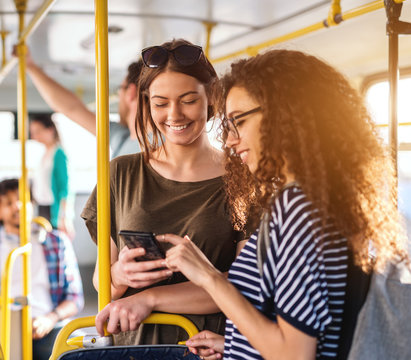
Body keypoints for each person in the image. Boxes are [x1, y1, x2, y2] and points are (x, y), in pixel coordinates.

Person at [154, 50, 409, 359]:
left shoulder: (296, 207)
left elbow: (294, 354)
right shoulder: (329, 199)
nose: (231, 141)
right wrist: (235, 344)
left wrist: (208, 277)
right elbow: (316, 328)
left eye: (239, 122)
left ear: (285, 114)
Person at [83, 39, 252, 345]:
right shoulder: (119, 173)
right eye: (160, 103)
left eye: (188, 100)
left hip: (208, 346)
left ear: (211, 98)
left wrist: (149, 299)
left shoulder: (243, 176)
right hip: (134, 346)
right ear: (147, 103)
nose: (174, 115)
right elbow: (101, 281)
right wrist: (120, 276)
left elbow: (242, 286)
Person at [0, 178, 84, 360]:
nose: (18, 206)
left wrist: (50, 319)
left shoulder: (56, 242)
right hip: (1, 327)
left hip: (48, 326)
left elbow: (75, 298)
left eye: (23, 199)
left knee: (76, 352)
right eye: (9, 203)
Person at [18, 47, 143, 158]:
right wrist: (30, 66)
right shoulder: (122, 137)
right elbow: (71, 108)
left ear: (130, 92)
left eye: (120, 89)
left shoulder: (156, 146)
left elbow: (72, 108)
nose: (119, 95)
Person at [29, 114, 72, 236]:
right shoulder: (44, 154)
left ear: (50, 130)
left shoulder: (58, 154)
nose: (34, 136)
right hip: (41, 206)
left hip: (53, 209)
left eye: (38, 131)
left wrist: (64, 217)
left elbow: (64, 187)